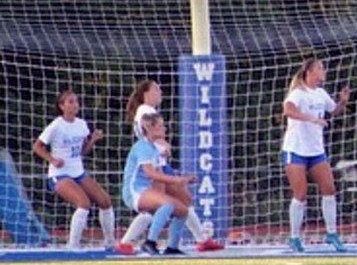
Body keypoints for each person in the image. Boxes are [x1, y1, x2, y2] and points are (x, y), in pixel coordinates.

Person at [116, 80, 223, 254]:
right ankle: (142, 242)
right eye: (156, 89)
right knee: (166, 205)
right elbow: (152, 155)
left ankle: (189, 242)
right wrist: (165, 151)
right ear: (146, 94)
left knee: (181, 204)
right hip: (152, 172)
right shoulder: (146, 113)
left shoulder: (148, 119)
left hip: (159, 165)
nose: (160, 92)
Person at [32, 89, 116, 250]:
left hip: (78, 171)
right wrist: (52, 159)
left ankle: (110, 241)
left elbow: (82, 151)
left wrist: (93, 140)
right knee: (83, 203)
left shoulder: (81, 125)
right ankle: (73, 245)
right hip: (60, 174)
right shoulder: (56, 125)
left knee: (105, 201)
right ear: (62, 106)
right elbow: (37, 146)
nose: (75, 105)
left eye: (76, 101)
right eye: (70, 102)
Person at [283, 57, 351, 253]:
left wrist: (342, 102)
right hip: (295, 149)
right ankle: (294, 237)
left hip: (316, 150)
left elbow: (333, 111)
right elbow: (288, 110)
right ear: (310, 72)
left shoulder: (320, 93)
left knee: (329, 189)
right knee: (300, 194)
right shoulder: (298, 93)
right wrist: (311, 119)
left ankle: (331, 233)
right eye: (320, 68)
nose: (324, 71)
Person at [121, 112, 196, 255]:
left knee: (183, 210)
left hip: (145, 189)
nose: (164, 128)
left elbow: (160, 174)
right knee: (167, 204)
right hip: (135, 191)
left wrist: (183, 179)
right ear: (150, 128)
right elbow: (150, 173)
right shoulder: (142, 147)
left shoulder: (153, 148)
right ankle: (149, 242)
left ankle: (172, 247)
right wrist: (177, 181)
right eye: (161, 125)